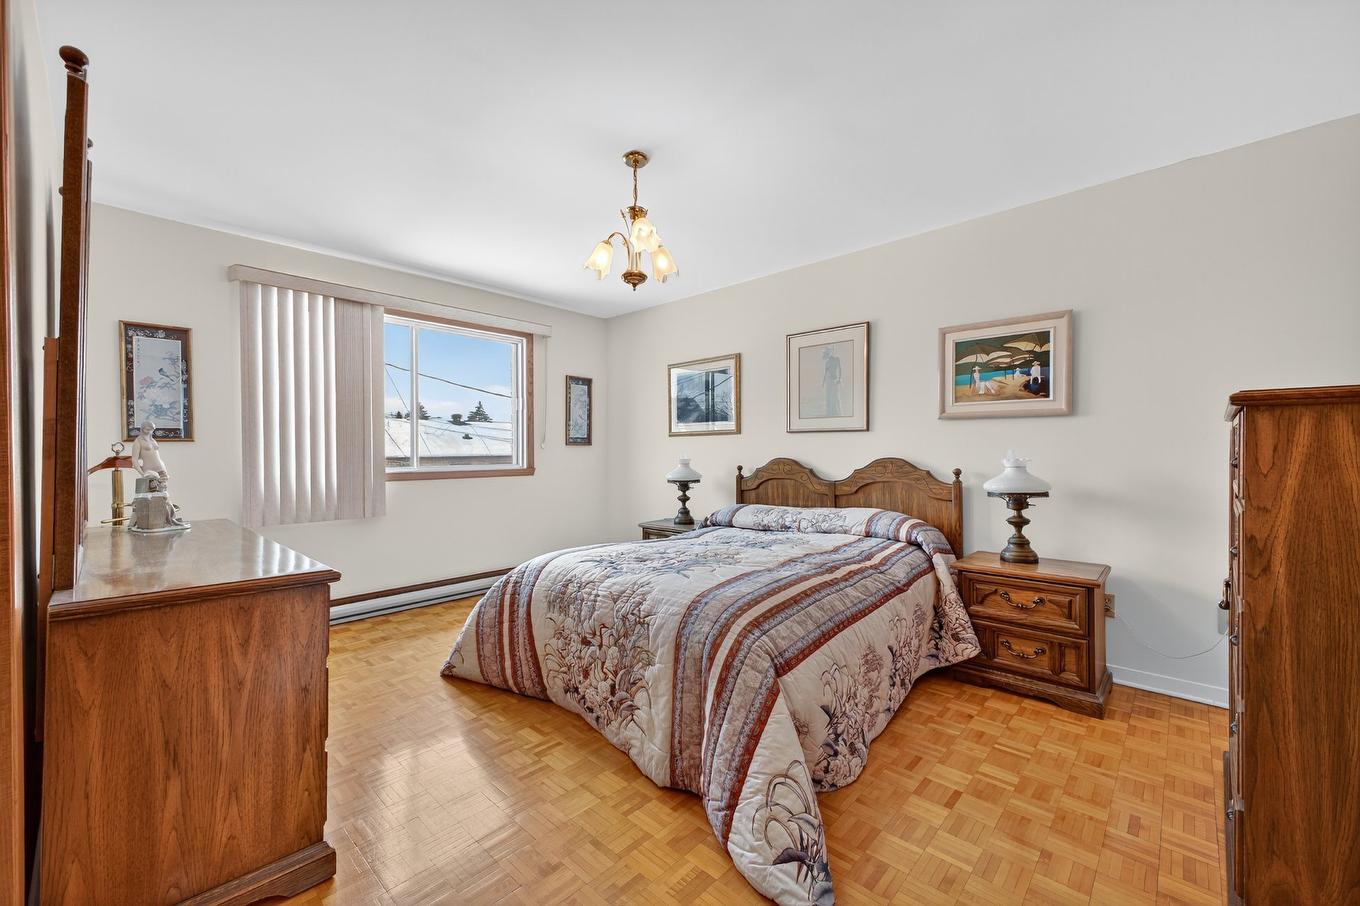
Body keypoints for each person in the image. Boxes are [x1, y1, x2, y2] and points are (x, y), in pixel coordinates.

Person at [129, 420, 188, 526]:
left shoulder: (152, 439)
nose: (150, 431)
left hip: (161, 469)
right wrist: (142, 473)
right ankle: (140, 522)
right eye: (148, 429)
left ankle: (169, 519)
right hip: (149, 471)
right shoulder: (138, 441)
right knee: (148, 496)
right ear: (142, 428)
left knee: (164, 495)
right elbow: (134, 460)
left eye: (152, 429)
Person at [822, 346, 843, 417]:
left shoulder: (837, 359)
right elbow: (825, 372)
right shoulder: (827, 362)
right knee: (828, 397)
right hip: (828, 381)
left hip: (834, 380)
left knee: (835, 396)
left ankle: (837, 414)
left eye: (827, 352)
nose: (826, 354)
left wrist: (839, 378)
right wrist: (823, 382)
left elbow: (840, 369)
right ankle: (830, 414)